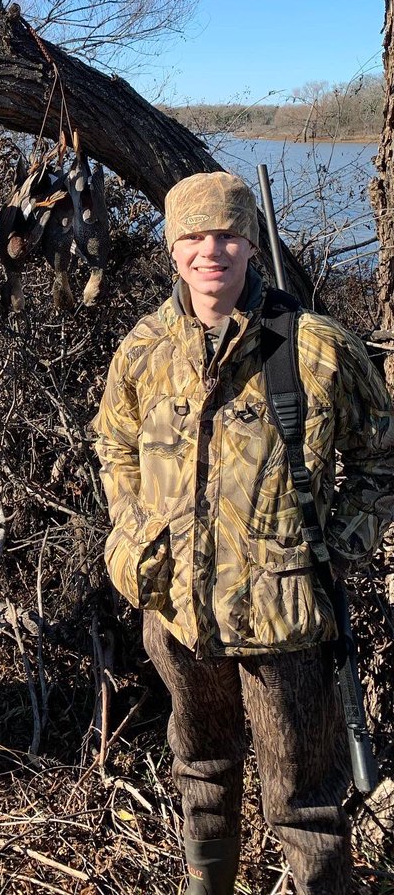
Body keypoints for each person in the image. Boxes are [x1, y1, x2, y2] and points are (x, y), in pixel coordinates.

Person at [92, 171, 394, 895]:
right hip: (177, 615)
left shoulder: (315, 348)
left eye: (226, 235)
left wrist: (335, 547)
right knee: (200, 767)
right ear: (172, 250)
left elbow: (383, 460)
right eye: (193, 237)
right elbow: (113, 446)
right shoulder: (143, 348)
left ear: (251, 244)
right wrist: (136, 539)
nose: (210, 252)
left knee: (304, 801)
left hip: (283, 623)